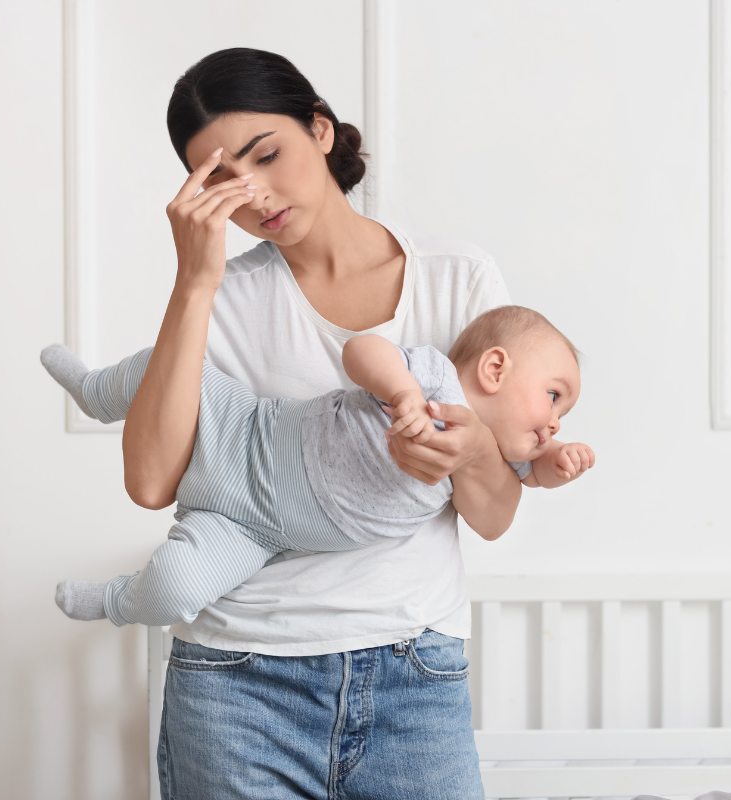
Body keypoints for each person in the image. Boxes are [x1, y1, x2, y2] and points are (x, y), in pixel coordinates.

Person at [105, 46, 532, 798]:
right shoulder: (220, 301)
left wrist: (471, 458)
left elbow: (493, 518)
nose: (256, 194)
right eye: (222, 181)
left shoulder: (457, 279)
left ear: (322, 130)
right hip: (236, 685)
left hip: (414, 675)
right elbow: (148, 481)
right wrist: (195, 281)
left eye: (266, 154)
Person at [43, 306, 595, 627]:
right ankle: (97, 391)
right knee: (166, 369)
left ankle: (116, 601)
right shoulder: (432, 377)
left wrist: (556, 463)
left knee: (175, 588)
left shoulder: (497, 459)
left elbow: (522, 491)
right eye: (553, 397)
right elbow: (362, 351)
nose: (555, 423)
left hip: (256, 533)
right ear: (495, 368)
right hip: (247, 430)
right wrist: (400, 390)